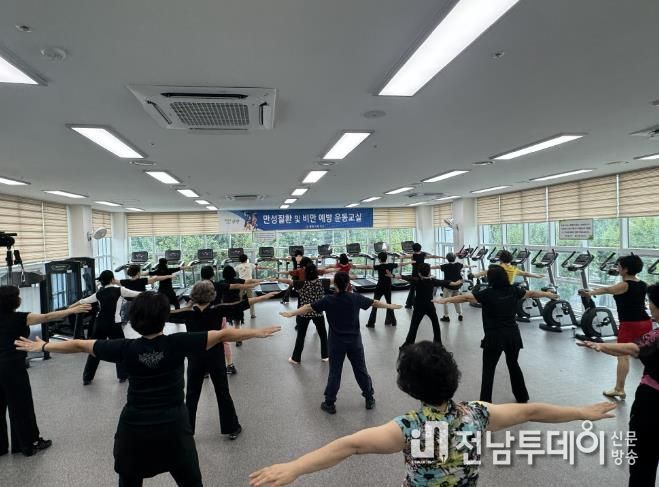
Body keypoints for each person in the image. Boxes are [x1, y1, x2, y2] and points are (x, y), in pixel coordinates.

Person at [249, 340, 616, 487]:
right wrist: (580, 411)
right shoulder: (478, 414)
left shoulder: (408, 428)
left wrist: (295, 467)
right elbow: (531, 411)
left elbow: (349, 446)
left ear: (407, 385)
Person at [15, 291, 280, 486]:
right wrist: (256, 333)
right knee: (191, 482)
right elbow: (224, 335)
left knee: (129, 481)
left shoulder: (125, 348)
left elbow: (80, 345)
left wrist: (44, 345)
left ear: (133, 320)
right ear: (165, 318)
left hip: (134, 428)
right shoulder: (178, 343)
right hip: (174, 427)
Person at [169, 281, 278, 441]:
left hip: (195, 358)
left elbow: (165, 315)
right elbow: (240, 305)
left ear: (194, 295)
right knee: (222, 392)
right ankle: (231, 428)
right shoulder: (218, 310)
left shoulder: (187, 313)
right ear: (212, 295)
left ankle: (187, 431)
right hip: (215, 356)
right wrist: (263, 297)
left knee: (191, 395)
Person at [280, 272, 401, 414]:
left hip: (336, 343)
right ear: (348, 284)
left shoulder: (328, 300)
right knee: (360, 370)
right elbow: (374, 302)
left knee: (335, 372)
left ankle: (329, 403)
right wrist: (389, 306)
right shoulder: (355, 298)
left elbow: (308, 307)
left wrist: (291, 313)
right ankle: (369, 398)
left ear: (335, 284)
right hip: (355, 342)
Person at [435, 265, 559, 403]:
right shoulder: (514, 290)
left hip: (494, 337)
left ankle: (485, 402)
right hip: (512, 336)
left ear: (491, 279)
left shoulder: (487, 293)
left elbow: (466, 298)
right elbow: (531, 294)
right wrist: (548, 294)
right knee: (513, 365)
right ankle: (522, 396)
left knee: (489, 370)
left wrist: (445, 300)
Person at [578, 283, 659, 487]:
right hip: (639, 328)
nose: (649, 306)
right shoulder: (640, 285)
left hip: (652, 403)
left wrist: (601, 345)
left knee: (643, 459)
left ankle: (619, 387)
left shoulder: (656, 337)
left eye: (651, 302)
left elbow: (633, 349)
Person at [0, 286, 90, 457]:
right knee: (21, 406)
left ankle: (1, 447)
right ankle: (28, 444)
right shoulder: (20, 318)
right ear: (13, 301)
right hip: (12, 368)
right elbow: (47, 317)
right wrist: (72, 310)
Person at [578, 254, 652, 399]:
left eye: (618, 266)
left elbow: (607, 290)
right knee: (647, 355)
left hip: (630, 324)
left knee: (622, 355)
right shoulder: (643, 284)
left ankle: (619, 389)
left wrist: (590, 293)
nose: (617, 268)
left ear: (625, 269)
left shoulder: (624, 285)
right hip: (645, 322)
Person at [73, 270, 142, 385]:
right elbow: (137, 294)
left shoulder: (98, 294)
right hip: (114, 325)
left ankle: (87, 378)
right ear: (112, 279)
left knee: (93, 349)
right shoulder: (120, 290)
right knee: (120, 349)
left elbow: (82, 301)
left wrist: (68, 308)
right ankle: (122, 375)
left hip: (99, 324)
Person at [199, 265, 259, 375]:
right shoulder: (218, 285)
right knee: (225, 339)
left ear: (201, 275)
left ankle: (205, 369)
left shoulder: (198, 287)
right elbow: (235, 285)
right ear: (212, 274)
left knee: (205, 341)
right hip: (219, 315)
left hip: (203, 318)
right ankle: (230, 365)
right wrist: (252, 284)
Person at [397, 263, 462, 348]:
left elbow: (406, 277)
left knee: (414, 326)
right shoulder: (432, 281)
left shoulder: (417, 280)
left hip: (419, 307)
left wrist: (394, 276)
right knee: (435, 324)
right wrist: (457, 282)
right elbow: (446, 282)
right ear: (429, 272)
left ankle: (408, 344)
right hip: (429, 306)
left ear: (419, 273)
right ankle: (438, 343)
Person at [276, 264, 328, 365]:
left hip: (303, 313)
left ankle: (296, 358)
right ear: (316, 272)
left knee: (301, 336)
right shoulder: (323, 282)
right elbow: (335, 279)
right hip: (318, 313)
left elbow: (288, 281)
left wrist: (277, 278)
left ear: (306, 273)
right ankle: (325, 356)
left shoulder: (301, 283)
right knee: (323, 335)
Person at [219, 265, 262, 347]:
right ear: (233, 273)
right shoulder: (238, 281)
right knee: (237, 324)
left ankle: (223, 339)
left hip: (225, 306)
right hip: (237, 305)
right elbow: (250, 281)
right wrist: (260, 281)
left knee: (223, 323)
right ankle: (238, 339)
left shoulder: (221, 282)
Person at [399, 243, 443, 309]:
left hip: (415, 274)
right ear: (420, 248)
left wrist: (402, 256)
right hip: (422, 273)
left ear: (413, 249)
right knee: (422, 288)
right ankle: (420, 303)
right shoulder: (423, 254)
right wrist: (442, 257)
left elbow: (404, 257)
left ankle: (409, 304)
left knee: (412, 289)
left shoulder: (413, 255)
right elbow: (433, 256)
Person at [365, 251, 398, 328]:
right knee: (389, 303)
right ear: (386, 258)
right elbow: (401, 264)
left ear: (379, 259)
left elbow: (367, 266)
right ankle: (393, 321)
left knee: (375, 304)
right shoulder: (390, 265)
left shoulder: (379, 266)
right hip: (388, 287)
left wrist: (355, 266)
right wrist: (411, 261)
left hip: (379, 287)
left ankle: (371, 323)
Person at [471, 249, 542, 284]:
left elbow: (484, 272)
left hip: (497, 290)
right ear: (510, 260)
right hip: (509, 290)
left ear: (500, 259)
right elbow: (525, 273)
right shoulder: (513, 269)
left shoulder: (496, 268)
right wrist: (537, 275)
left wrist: (474, 275)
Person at [439, 252, 468, 322]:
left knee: (445, 302)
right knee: (457, 301)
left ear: (447, 259)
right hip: (457, 287)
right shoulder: (458, 265)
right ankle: (460, 314)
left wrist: (428, 267)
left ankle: (446, 316)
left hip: (448, 287)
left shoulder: (445, 266)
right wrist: (472, 266)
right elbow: (466, 266)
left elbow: (435, 267)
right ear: (455, 258)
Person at [235, 254, 260, 318]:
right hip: (249, 283)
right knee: (251, 299)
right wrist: (267, 267)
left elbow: (233, 271)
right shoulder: (250, 265)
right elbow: (258, 267)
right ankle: (252, 314)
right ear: (246, 259)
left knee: (239, 299)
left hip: (241, 283)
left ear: (240, 260)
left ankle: (238, 312)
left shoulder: (238, 266)